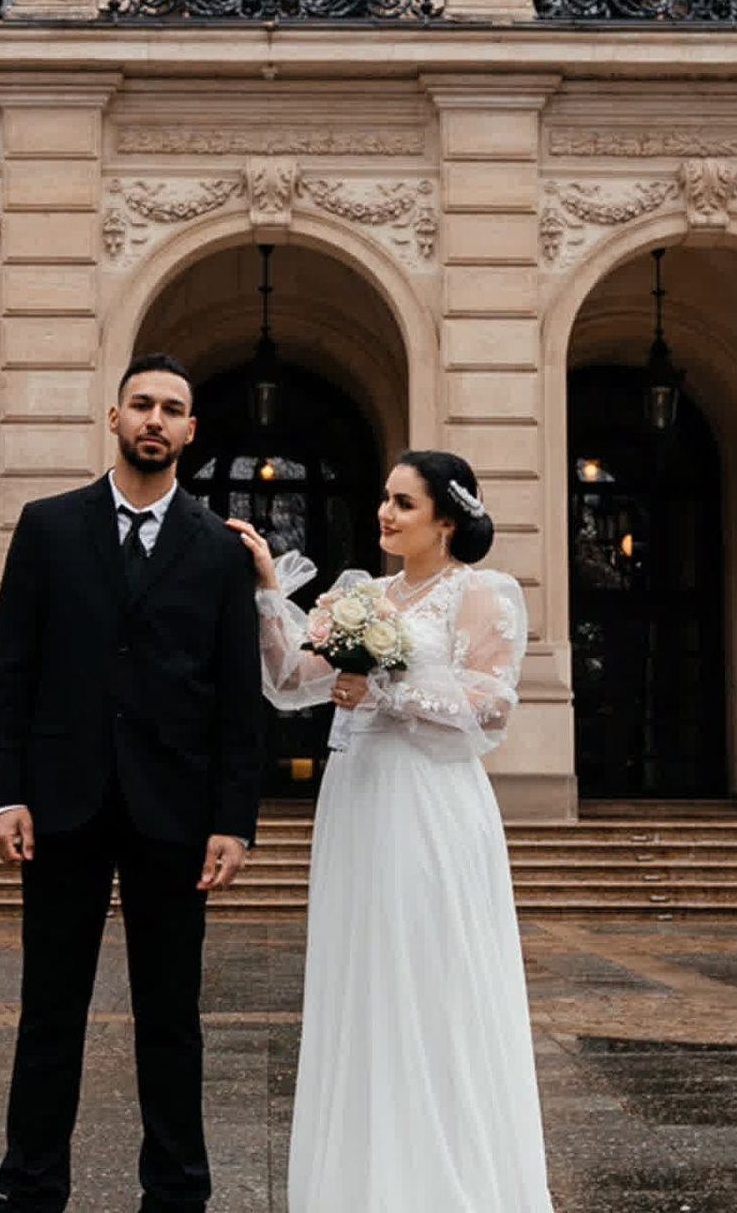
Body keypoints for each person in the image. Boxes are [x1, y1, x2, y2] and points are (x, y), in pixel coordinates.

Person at [230, 450, 555, 1213]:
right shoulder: (360, 596)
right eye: (384, 498)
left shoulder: (482, 592)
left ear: (447, 518)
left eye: (404, 503)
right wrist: (269, 594)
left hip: (432, 801)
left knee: (433, 975)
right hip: (359, 799)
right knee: (363, 977)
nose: (386, 512)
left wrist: (386, 681)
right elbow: (286, 685)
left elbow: (492, 708)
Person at [0, 352, 265, 1213]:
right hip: (61, 802)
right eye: (140, 404)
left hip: (175, 812)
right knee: (49, 1012)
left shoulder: (219, 549)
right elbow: (11, 669)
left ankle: (177, 1191)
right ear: (113, 418)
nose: (154, 419)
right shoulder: (47, 525)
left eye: (171, 408)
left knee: (172, 1018)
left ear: (189, 431)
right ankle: (29, 1189)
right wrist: (5, 793)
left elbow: (236, 693)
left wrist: (234, 819)